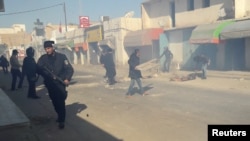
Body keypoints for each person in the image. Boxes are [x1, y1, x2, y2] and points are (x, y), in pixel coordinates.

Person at [37, 40, 74, 129]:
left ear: (53, 48)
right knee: (54, 102)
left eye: (49, 48)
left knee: (61, 101)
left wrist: (67, 79)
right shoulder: (43, 58)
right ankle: (59, 114)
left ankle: (61, 120)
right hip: (50, 84)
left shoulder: (62, 57)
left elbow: (70, 69)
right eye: (46, 48)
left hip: (60, 83)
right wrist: (42, 72)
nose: (47, 50)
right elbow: (38, 69)